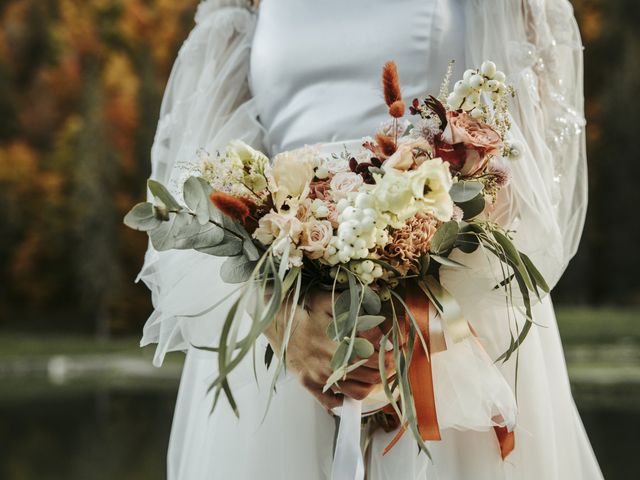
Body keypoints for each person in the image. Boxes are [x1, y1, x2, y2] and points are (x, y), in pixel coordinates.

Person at [137, 0, 604, 478]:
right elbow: (200, 162)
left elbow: (534, 166)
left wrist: (412, 312)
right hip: (282, 324)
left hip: (448, 325)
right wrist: (284, 321)